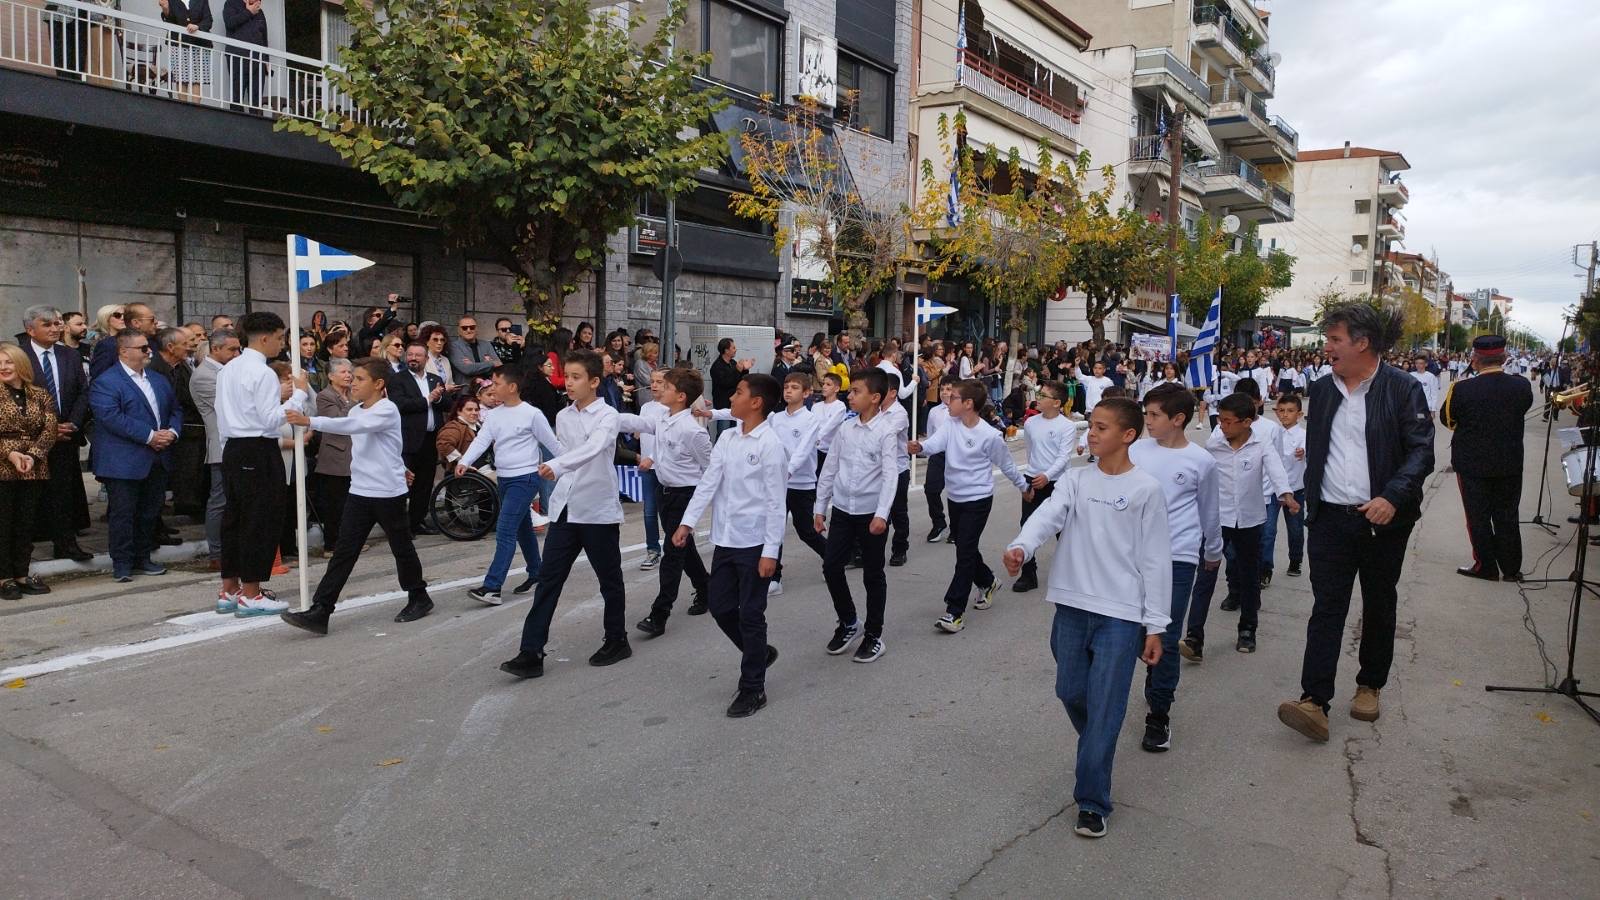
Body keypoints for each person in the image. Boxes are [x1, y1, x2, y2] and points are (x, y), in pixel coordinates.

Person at [1002, 397, 1171, 839]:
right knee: (1070, 690)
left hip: (1120, 616)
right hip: (1073, 608)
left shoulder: (1145, 489)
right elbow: (1047, 516)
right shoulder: (1076, 481)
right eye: (1089, 427)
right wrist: (1022, 545)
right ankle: (1098, 740)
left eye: (1100, 428)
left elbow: (1155, 561)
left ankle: (1093, 801)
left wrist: (1155, 625)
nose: (1090, 434)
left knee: (1106, 707)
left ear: (1128, 435)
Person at [1277, 303, 1433, 742]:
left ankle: (1370, 685)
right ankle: (1314, 700)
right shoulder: (1324, 390)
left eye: (1334, 341)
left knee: (1379, 602)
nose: (1326, 349)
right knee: (1327, 606)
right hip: (1329, 518)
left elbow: (1422, 451)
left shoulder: (1403, 389)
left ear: (1362, 343)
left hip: (1382, 519)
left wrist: (1392, 497)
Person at [499, 350, 630, 680]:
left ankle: (617, 639)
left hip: (596, 509)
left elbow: (593, 449)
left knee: (609, 580)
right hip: (565, 509)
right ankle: (531, 652)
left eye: (576, 377)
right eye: (566, 376)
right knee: (548, 581)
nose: (568, 383)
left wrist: (556, 466)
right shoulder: (564, 415)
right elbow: (563, 451)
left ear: (594, 381)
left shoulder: (607, 416)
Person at [279, 360, 435, 633]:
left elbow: (351, 427)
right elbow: (380, 445)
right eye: (353, 377)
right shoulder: (357, 409)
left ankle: (419, 597)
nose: (353, 383)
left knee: (401, 549)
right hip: (360, 492)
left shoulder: (386, 409)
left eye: (360, 378)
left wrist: (309, 420)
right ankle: (321, 610)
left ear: (378, 384)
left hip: (387, 493)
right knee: (343, 552)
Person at [671, 373, 787, 717]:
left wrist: (771, 552)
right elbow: (708, 483)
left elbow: (775, 502)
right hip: (725, 539)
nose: (731, 398)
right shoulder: (728, 440)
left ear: (756, 403)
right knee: (721, 608)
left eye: (738, 393)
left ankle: (753, 687)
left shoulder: (771, 445)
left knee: (751, 614)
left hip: (755, 543)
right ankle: (759, 652)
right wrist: (687, 522)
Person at [1128, 384, 1221, 753]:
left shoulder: (1200, 461)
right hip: (1132, 557)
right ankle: (1154, 679)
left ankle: (1159, 715)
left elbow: (1209, 511)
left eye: (1153, 415)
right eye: (1145, 414)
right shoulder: (1135, 450)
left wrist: (1212, 551)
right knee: (1134, 633)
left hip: (1178, 558)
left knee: (1165, 638)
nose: (1146, 421)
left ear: (1178, 419)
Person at [907, 379, 1030, 634]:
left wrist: (1023, 487)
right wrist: (919, 447)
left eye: (953, 397)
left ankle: (954, 612)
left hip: (978, 499)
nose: (947, 400)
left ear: (968, 404)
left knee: (963, 552)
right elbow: (934, 444)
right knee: (966, 547)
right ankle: (988, 581)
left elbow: (1007, 464)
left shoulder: (989, 436)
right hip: (955, 497)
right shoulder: (950, 424)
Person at [1182, 393, 1297, 658]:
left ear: (1247, 422)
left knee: (1249, 576)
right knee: (1206, 575)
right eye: (1220, 420)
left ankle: (1247, 630)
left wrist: (1286, 494)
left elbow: (1276, 469)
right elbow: (1196, 472)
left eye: (1228, 421)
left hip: (1249, 521)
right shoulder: (1214, 445)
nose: (1222, 425)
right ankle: (1194, 637)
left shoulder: (1261, 444)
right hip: (1216, 521)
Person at [214, 313, 312, 615]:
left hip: (233, 447)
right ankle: (251, 593)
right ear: (265, 337)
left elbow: (221, 412)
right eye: (280, 338)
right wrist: (299, 394)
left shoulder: (228, 369)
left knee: (235, 518)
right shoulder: (263, 372)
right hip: (257, 446)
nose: (282, 344)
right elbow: (270, 418)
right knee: (259, 519)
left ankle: (230, 589)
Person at [813, 368, 898, 662]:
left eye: (856, 392)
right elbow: (830, 467)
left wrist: (882, 515)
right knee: (831, 567)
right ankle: (849, 622)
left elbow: (890, 477)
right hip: (843, 511)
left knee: (873, 575)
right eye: (850, 391)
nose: (850, 396)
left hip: (871, 515)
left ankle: (874, 634)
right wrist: (819, 507)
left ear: (875, 397)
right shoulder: (845, 429)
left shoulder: (886, 432)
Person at [623, 367, 714, 635]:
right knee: (684, 549)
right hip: (665, 492)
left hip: (685, 495)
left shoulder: (692, 431)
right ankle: (707, 588)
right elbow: (637, 424)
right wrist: (605, 417)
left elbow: (710, 470)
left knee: (672, 555)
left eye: (668, 387)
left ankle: (659, 613)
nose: (660, 389)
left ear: (681, 396)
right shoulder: (663, 418)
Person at [459, 367, 562, 604]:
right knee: (522, 527)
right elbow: (483, 440)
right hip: (504, 479)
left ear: (512, 387)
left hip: (525, 479)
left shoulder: (532, 414)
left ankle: (492, 587)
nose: (492, 388)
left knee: (505, 530)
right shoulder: (494, 415)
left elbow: (553, 445)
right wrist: (464, 461)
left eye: (496, 383)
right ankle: (537, 573)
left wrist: (566, 469)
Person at [89, 330, 181, 584]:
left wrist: (172, 432)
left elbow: (175, 409)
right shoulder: (107, 381)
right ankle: (122, 563)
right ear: (123, 351)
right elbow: (110, 417)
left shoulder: (157, 379)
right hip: (123, 461)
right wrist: (150, 436)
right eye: (142, 348)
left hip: (157, 458)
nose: (148, 352)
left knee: (149, 512)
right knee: (123, 513)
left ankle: (143, 557)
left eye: (148, 348)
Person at [1440, 335, 1533, 582]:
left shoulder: (1461, 388)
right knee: (1507, 515)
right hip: (1510, 462)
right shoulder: (1521, 385)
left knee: (1478, 517)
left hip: (1472, 464)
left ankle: (1486, 566)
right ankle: (1512, 569)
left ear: (1475, 359)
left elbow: (1448, 420)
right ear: (1504, 358)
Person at [15, 306, 91, 562]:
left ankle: (66, 544)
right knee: (29, 497)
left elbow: (83, 392)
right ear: (30, 329)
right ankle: (21, 552)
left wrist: (74, 423)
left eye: (57, 323)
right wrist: (47, 428)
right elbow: (15, 399)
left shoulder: (69, 355)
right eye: (47, 324)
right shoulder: (18, 356)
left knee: (63, 495)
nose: (55, 328)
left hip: (66, 436)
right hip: (30, 440)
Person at [0, 343, 57, 599]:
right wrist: (10, 453)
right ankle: (4, 577)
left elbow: (50, 428)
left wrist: (33, 455)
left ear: (20, 364)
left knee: (25, 523)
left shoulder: (40, 394)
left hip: (33, 467)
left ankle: (22, 573)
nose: (4, 368)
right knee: (3, 524)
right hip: (2, 466)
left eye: (8, 362)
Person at [1011, 380, 1078, 592]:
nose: (1037, 399)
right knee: (1027, 524)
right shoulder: (1031, 423)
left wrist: (1047, 476)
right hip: (1034, 479)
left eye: (1043, 396)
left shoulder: (1067, 426)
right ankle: (1029, 574)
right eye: (1038, 395)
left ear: (1057, 403)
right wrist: (1029, 479)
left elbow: (1063, 456)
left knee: (1063, 529)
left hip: (1057, 482)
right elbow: (1031, 452)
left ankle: (1071, 573)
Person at [189, 327, 238, 570]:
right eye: (232, 349)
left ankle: (229, 548)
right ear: (215, 349)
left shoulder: (226, 370)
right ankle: (216, 553)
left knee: (231, 500)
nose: (236, 353)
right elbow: (230, 406)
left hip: (236, 444)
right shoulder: (204, 375)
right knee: (219, 500)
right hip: (221, 445)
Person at [386, 343, 449, 535]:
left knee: (424, 483)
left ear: (426, 359)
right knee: (403, 484)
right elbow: (400, 404)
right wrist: (427, 399)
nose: (413, 358)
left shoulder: (435, 378)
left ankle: (417, 521)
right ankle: (399, 526)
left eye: (418, 355)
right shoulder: (398, 379)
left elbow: (448, 404)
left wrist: (438, 398)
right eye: (410, 354)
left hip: (430, 438)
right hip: (408, 439)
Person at [1260, 394, 1308, 585]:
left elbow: (1307, 450)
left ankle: (1295, 560)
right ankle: (1265, 568)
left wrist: (1303, 452)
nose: (1285, 415)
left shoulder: (1304, 435)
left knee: (1295, 529)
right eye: (1281, 410)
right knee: (1268, 530)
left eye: (1290, 411)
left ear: (1299, 414)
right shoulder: (1272, 433)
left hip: (1295, 489)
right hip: (1273, 489)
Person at [312, 358, 356, 556]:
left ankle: (347, 542)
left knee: (349, 503)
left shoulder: (351, 394)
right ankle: (331, 544)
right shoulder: (325, 396)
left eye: (349, 372)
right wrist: (354, 401)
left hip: (353, 454)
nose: (348, 375)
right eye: (343, 372)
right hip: (335, 455)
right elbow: (336, 421)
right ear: (331, 376)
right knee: (335, 503)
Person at [875, 370, 913, 566]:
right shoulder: (875, 411)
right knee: (877, 511)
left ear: (892, 392)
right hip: (877, 471)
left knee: (898, 511)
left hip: (897, 469)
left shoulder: (899, 413)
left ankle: (900, 549)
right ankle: (869, 551)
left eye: (881, 389)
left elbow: (883, 434)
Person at [156, 0, 213, 102]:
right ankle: (183, 111)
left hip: (198, 44)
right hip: (179, 44)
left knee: (197, 79)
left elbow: (208, 20)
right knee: (181, 78)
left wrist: (197, 27)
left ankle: (196, 110)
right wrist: (165, 9)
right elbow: (170, 22)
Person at [922, 381, 952, 543]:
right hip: (938, 455)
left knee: (956, 493)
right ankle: (938, 523)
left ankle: (956, 526)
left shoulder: (962, 411)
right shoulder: (934, 411)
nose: (945, 392)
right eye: (942, 389)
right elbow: (930, 435)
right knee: (931, 490)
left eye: (949, 389)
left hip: (957, 456)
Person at [222, 0, 267, 110]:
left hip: (258, 59)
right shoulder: (231, 3)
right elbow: (230, 23)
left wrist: (266, 60)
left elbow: (264, 38)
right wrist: (249, 12)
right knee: (237, 94)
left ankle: (256, 123)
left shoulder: (260, 12)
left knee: (256, 96)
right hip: (238, 57)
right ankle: (236, 124)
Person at [812, 372, 848, 474]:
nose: (824, 387)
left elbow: (829, 426)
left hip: (827, 452)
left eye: (828, 384)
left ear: (837, 389)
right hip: (813, 449)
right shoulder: (816, 406)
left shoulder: (840, 406)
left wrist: (816, 438)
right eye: (823, 384)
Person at [447, 315, 499, 382]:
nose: (469, 330)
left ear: (477, 329)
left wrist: (473, 366)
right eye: (464, 328)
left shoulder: (486, 344)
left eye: (472, 327)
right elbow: (467, 369)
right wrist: (491, 363)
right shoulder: (453, 346)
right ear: (459, 330)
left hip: (488, 390)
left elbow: (499, 365)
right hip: (466, 391)